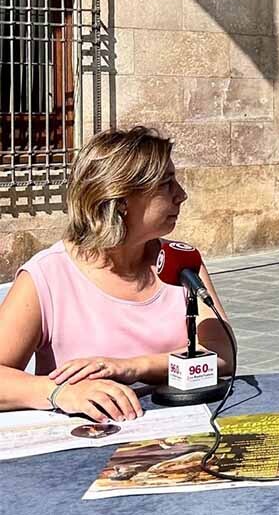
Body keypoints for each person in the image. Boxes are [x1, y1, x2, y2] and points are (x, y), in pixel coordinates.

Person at [0, 127, 235, 421]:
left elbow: (222, 355)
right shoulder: (47, 276)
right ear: (120, 199)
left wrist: (133, 367)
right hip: (85, 451)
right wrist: (59, 392)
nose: (181, 195)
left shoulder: (181, 262)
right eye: (166, 184)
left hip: (185, 439)